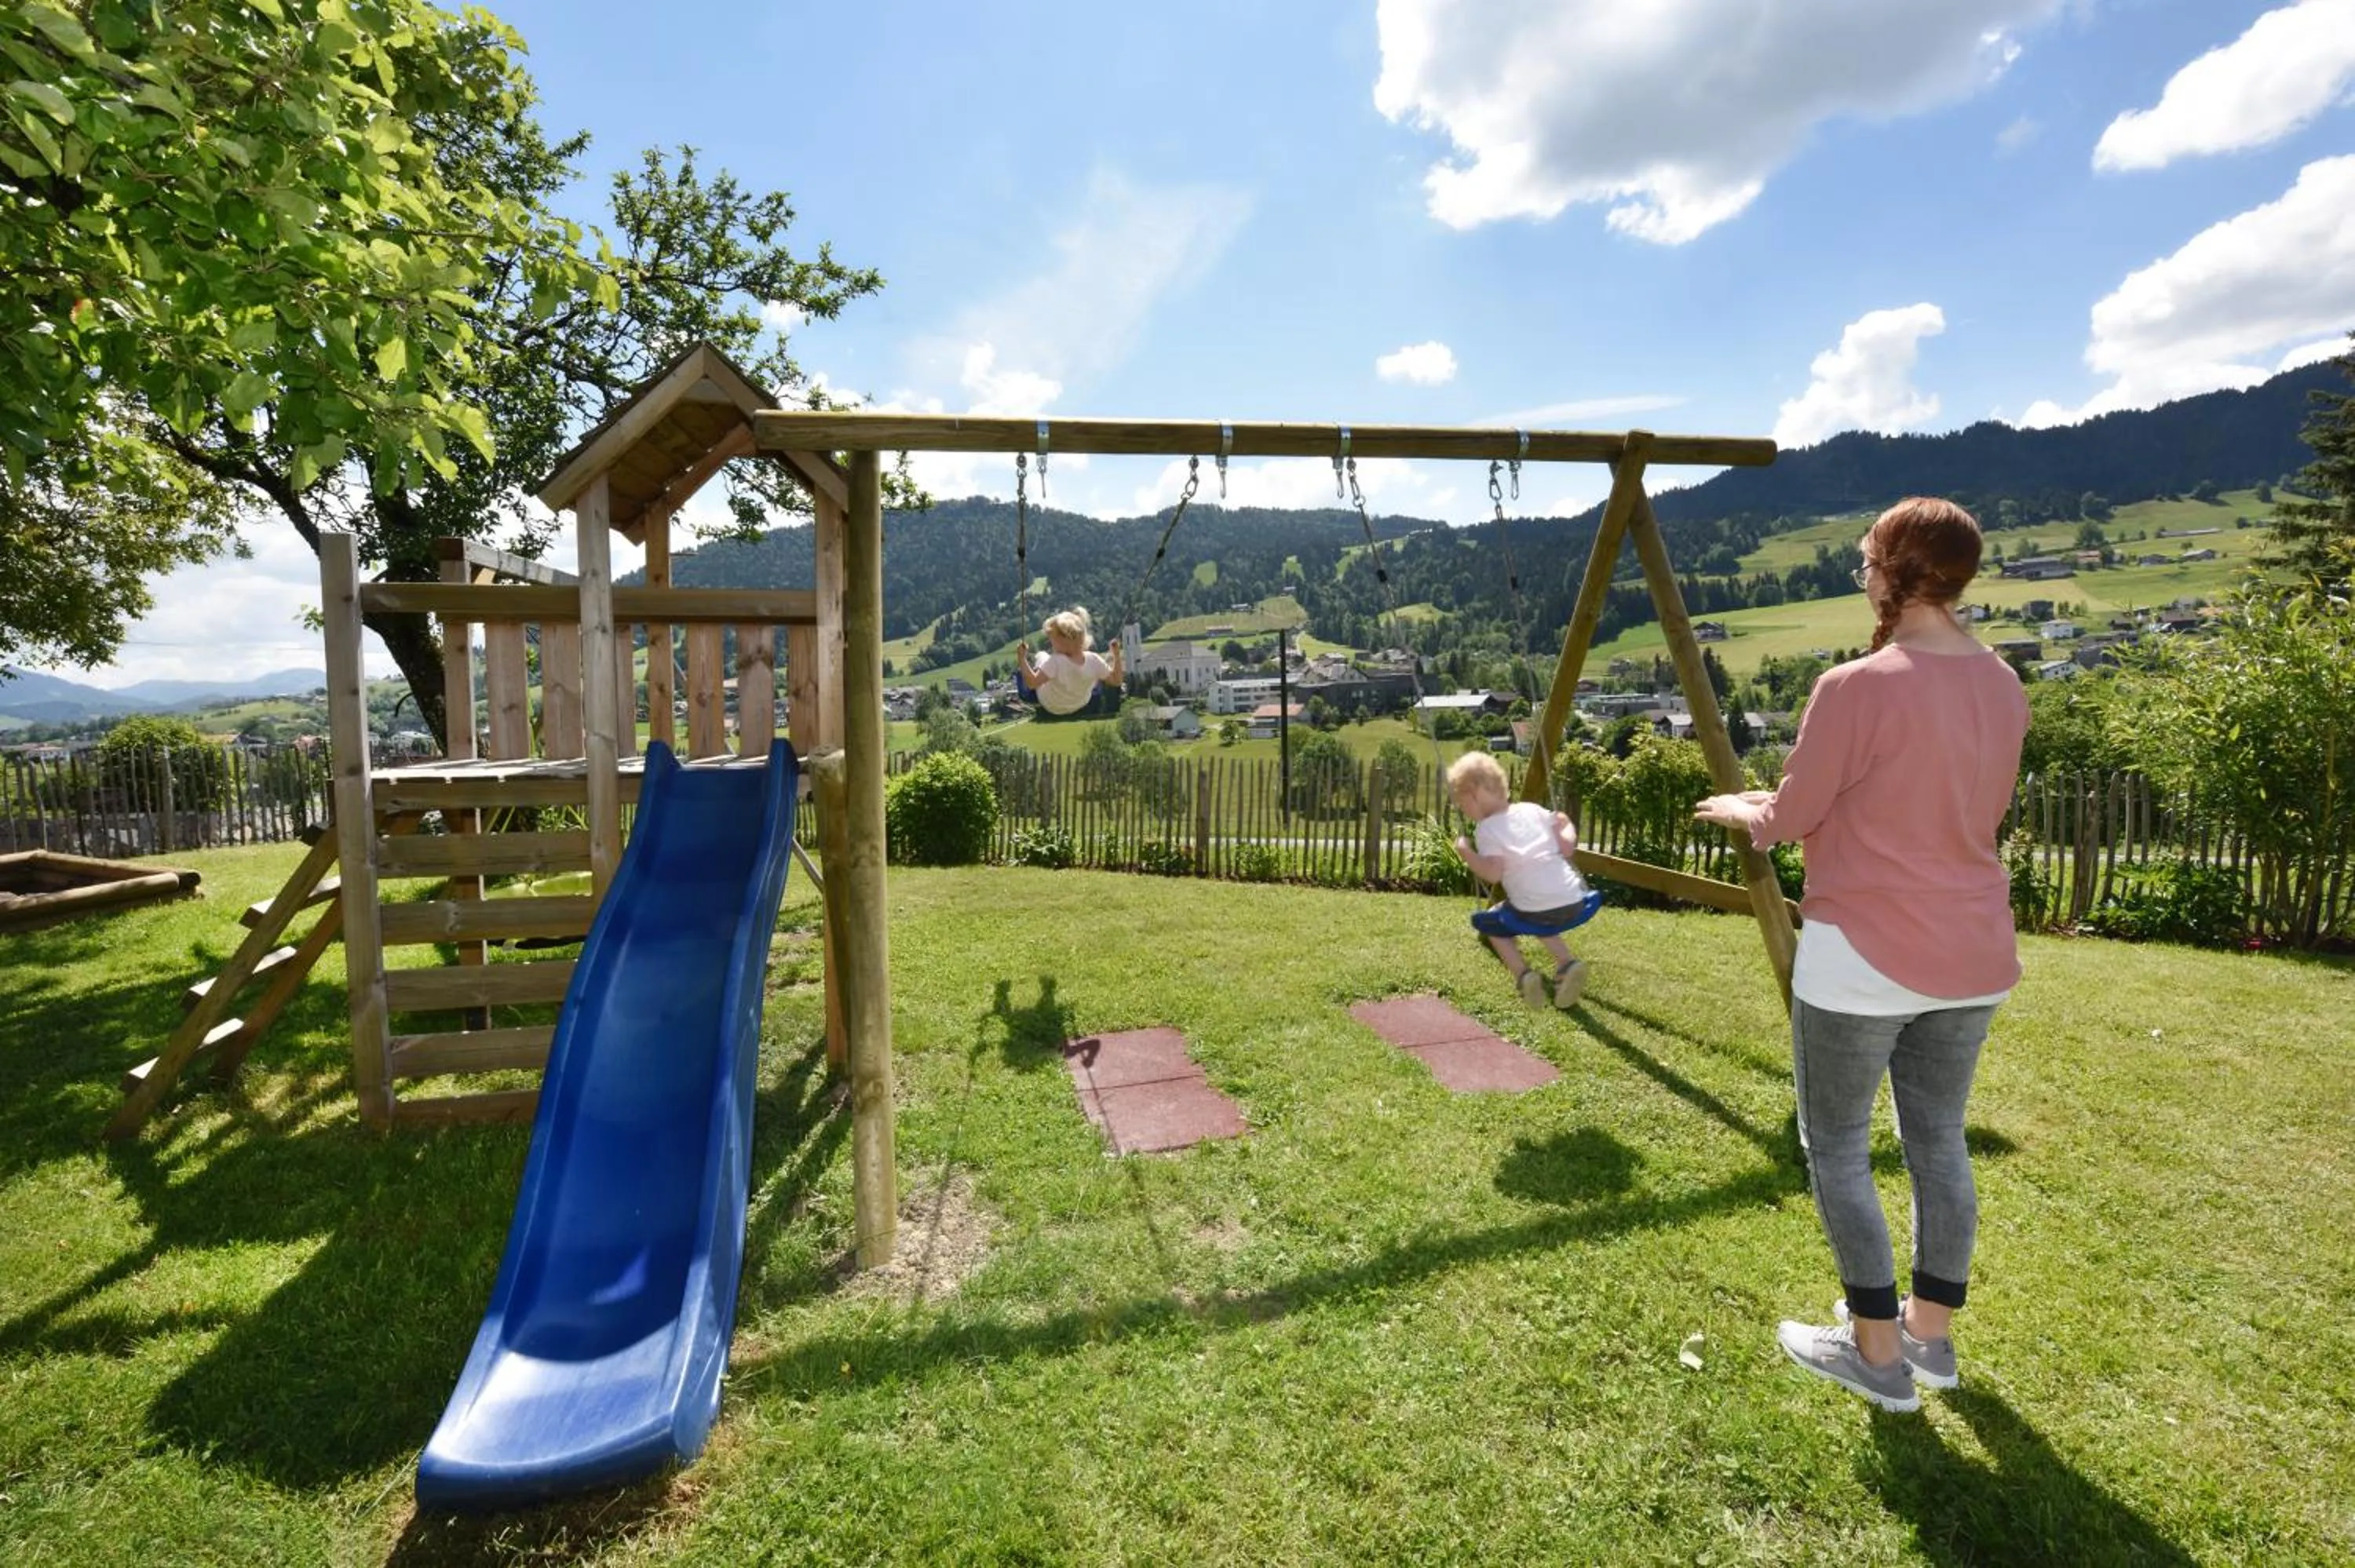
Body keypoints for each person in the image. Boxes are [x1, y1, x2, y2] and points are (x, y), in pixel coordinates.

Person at [1695, 497, 2028, 1414]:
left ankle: (1875, 1356)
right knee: (1937, 1140)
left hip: (1865, 954)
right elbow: (1926, 804)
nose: (1863, 576)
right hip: (1973, 951)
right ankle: (1930, 1337)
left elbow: (1791, 818)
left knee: (1837, 1144)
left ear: (1890, 571)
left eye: (1865, 561)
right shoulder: (2004, 682)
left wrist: (1746, 811)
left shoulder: (1856, 685)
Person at [1448, 750, 1600, 1009]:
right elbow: (1567, 848)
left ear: (1475, 796)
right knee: (1539, 912)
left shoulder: (1487, 829)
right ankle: (1566, 964)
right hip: (1575, 902)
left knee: (1492, 923)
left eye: (1463, 805)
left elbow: (1493, 874)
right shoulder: (1533, 810)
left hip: (1535, 909)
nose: (1464, 811)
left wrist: (1466, 853)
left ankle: (1523, 976)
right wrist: (1566, 825)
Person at [1016, 607, 1123, 717]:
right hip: (1080, 703)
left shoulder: (1056, 661)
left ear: (1063, 641)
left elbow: (1032, 683)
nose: (1051, 645)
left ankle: (1034, 668)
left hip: (1051, 704)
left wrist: (1021, 658)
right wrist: (1116, 655)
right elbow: (1117, 681)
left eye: (1052, 640)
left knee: (1042, 655)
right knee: (1094, 675)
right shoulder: (1094, 660)